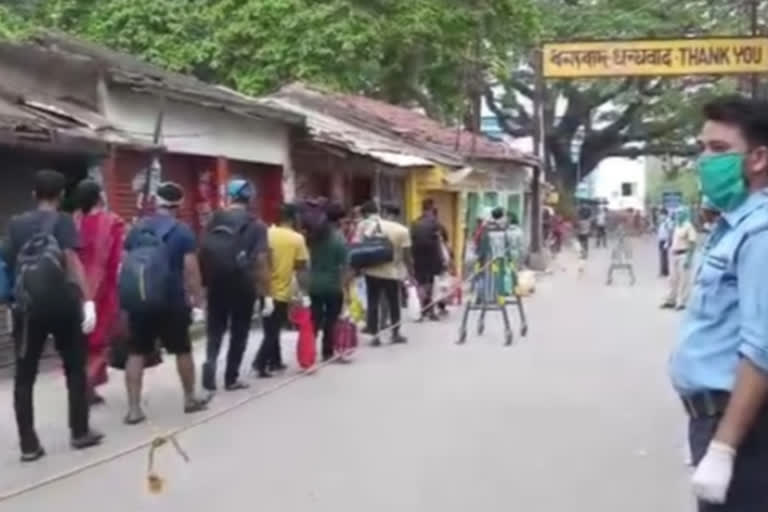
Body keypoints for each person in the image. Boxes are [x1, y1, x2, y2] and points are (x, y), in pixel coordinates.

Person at [669, 95, 768, 511]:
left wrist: (724, 447)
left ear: (759, 158)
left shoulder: (761, 233)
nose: (705, 161)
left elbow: (761, 349)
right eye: (702, 148)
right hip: (715, 419)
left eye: (720, 150)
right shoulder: (734, 226)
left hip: (747, 433)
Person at [7, 169, 102, 461]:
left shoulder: (15, 224)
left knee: (24, 377)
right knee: (75, 367)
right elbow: (72, 261)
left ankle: (29, 445)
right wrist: (88, 301)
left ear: (34, 194)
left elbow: (11, 262)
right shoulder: (63, 222)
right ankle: (80, 431)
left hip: (27, 306)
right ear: (61, 196)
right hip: (62, 304)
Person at [123, 181, 209, 425]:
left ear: (156, 201)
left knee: (136, 352)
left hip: (140, 299)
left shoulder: (137, 228)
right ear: (178, 205)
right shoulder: (182, 231)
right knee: (182, 349)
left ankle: (133, 409)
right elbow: (191, 270)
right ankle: (190, 399)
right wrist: (198, 303)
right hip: (171, 301)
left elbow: (126, 263)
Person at [200, 179, 269, 392]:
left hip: (216, 281)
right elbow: (260, 260)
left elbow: (203, 250)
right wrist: (265, 293)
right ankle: (231, 377)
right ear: (250, 198)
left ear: (230, 196)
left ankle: (211, 361)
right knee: (240, 330)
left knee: (215, 328)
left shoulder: (214, 219)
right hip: (243, 283)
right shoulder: (257, 225)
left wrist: (203, 285)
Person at [73, 180, 125, 406]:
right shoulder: (113, 222)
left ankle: (88, 389)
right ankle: (84, 387)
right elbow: (117, 261)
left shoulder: (74, 221)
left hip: (75, 289)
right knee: (100, 342)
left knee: (80, 343)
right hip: (103, 291)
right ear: (98, 197)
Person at [253, 204, 309, 377]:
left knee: (270, 328)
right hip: (281, 291)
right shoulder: (297, 239)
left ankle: (275, 361)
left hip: (264, 290)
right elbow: (300, 268)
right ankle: (260, 363)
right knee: (273, 330)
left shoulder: (267, 233)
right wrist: (304, 293)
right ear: (293, 219)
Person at [356, 200, 412, 345]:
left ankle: (375, 336)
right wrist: (410, 273)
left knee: (373, 302)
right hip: (392, 272)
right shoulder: (402, 230)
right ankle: (395, 333)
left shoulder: (367, 227)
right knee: (394, 302)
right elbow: (407, 257)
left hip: (371, 271)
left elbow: (359, 247)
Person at [308, 203, 349, 361]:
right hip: (333, 285)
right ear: (339, 220)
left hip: (314, 284)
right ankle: (327, 351)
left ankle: (309, 349)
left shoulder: (314, 236)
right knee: (331, 319)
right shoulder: (339, 238)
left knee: (315, 318)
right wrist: (344, 287)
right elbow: (345, 266)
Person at [410, 199, 443, 321]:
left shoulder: (415, 223)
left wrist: (411, 259)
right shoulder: (435, 223)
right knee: (431, 285)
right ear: (431, 208)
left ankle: (422, 310)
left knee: (421, 284)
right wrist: (443, 259)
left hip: (418, 258)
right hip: (432, 258)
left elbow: (410, 241)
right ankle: (429, 310)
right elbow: (439, 242)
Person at [662, 206, 697, 311]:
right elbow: (672, 239)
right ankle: (671, 300)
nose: (677, 215)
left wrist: (689, 258)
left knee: (683, 280)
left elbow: (692, 243)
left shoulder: (689, 226)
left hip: (684, 254)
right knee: (672, 279)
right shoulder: (676, 226)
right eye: (677, 213)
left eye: (680, 213)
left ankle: (681, 302)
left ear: (685, 214)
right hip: (674, 254)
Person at [657, 208, 672, 277]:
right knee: (662, 256)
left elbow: (670, 232)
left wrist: (668, 242)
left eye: (662, 214)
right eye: (660, 214)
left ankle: (665, 272)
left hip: (665, 241)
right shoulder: (662, 222)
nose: (660, 216)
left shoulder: (668, 222)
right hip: (661, 240)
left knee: (664, 257)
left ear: (665, 214)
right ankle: (663, 271)